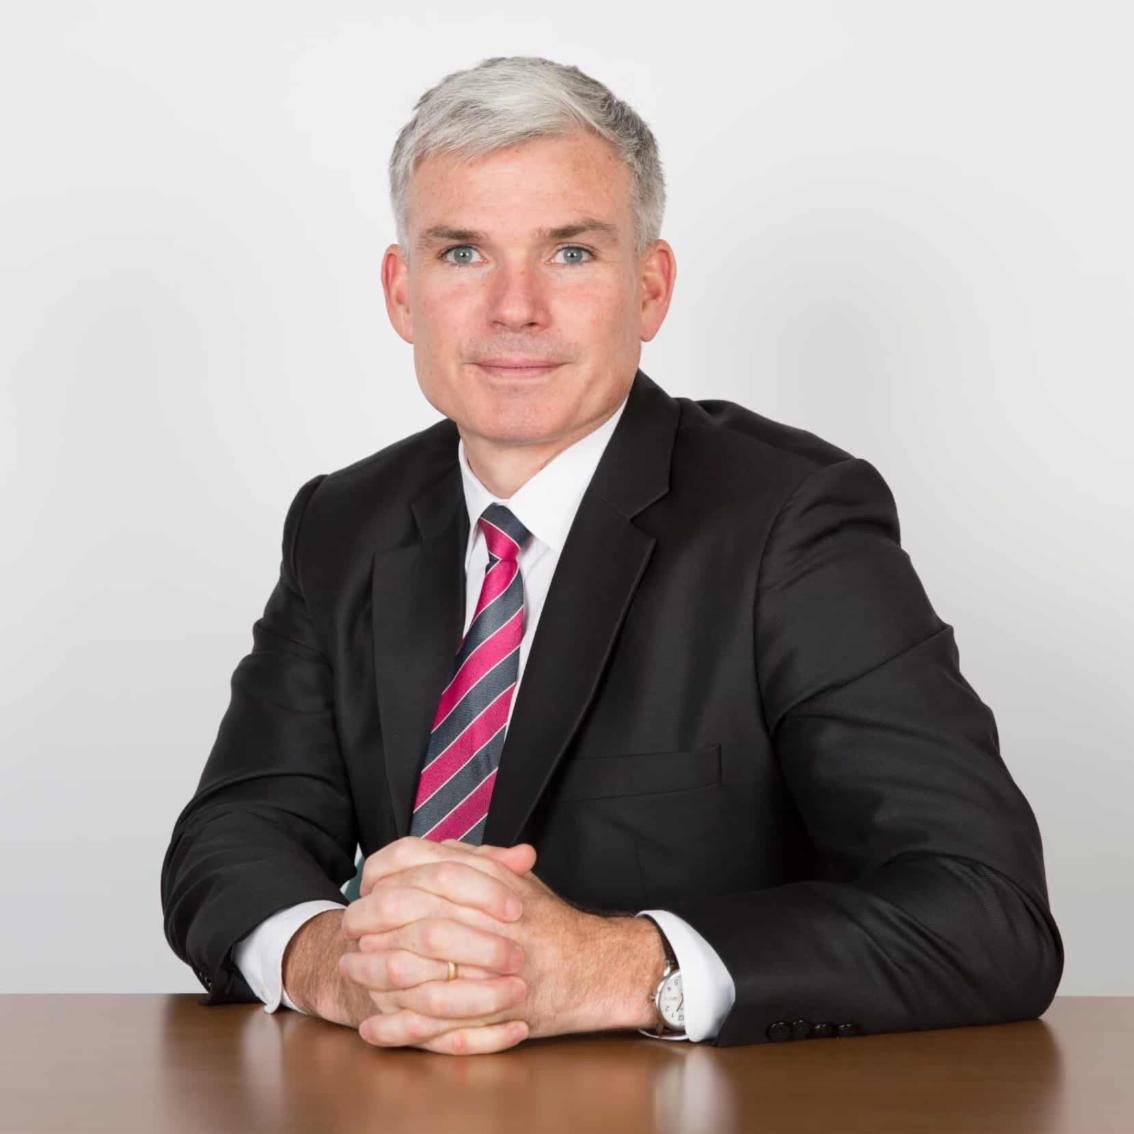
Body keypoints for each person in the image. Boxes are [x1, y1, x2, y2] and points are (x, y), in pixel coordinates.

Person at [161, 55, 1062, 1055]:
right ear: (402, 292)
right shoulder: (343, 522)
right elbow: (234, 836)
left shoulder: (791, 520)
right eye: (462, 252)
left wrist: (609, 968)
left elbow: (986, 914)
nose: (514, 307)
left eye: (570, 252)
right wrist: (334, 961)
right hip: (402, 1098)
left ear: (650, 287)